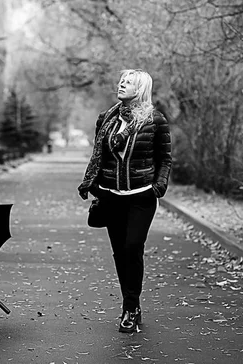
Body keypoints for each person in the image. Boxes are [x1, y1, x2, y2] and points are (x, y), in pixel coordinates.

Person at [78, 69, 172, 333]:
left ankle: (131, 307)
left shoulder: (155, 120)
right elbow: (99, 154)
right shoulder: (106, 118)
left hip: (141, 197)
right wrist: (95, 184)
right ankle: (131, 305)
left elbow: (164, 158)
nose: (121, 84)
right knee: (120, 253)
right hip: (111, 196)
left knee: (132, 247)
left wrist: (159, 185)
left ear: (140, 89)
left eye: (128, 82)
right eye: (121, 81)